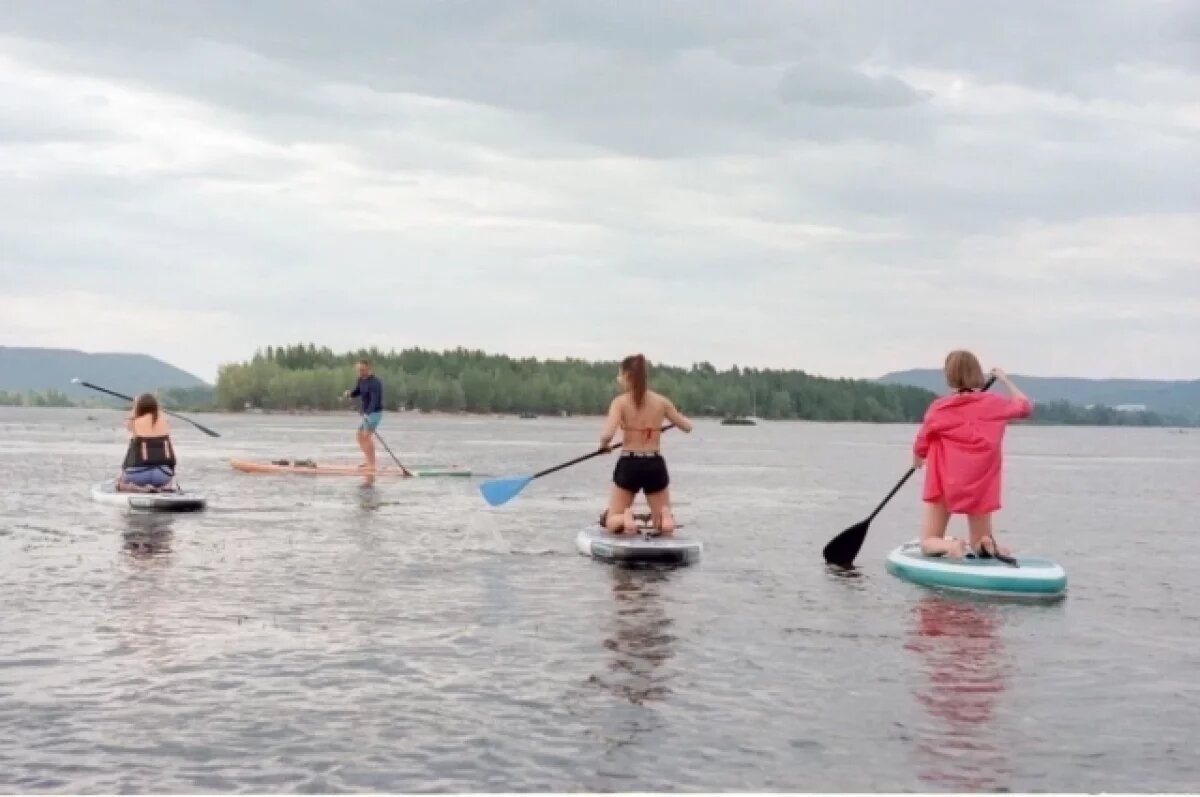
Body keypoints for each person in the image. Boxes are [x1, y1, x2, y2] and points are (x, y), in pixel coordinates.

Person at [912, 351, 1032, 560]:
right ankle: (985, 543)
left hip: (946, 484)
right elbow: (1024, 407)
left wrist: (917, 458)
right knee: (978, 543)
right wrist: (1004, 380)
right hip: (981, 485)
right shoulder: (994, 404)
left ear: (949, 376)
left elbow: (922, 442)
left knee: (928, 542)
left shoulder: (940, 408)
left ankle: (951, 546)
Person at [599, 354, 693, 536]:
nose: (619, 380)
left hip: (629, 463)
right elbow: (687, 427)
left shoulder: (620, 403)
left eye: (619, 376)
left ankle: (626, 517)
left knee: (611, 520)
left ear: (627, 376)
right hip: (654, 464)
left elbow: (607, 434)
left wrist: (604, 445)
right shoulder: (662, 402)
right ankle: (665, 518)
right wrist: (684, 419)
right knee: (661, 523)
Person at [117, 393, 178, 492]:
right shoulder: (165, 421)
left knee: (119, 484)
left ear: (139, 407)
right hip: (162, 474)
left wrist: (135, 405)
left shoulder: (134, 422)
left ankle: (138, 488)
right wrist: (156, 408)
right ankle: (162, 487)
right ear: (156, 407)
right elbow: (160, 415)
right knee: (165, 480)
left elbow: (128, 423)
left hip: (138, 474)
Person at [342, 358, 383, 470]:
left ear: (369, 368)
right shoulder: (361, 380)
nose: (360, 372)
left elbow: (374, 401)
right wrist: (349, 394)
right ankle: (367, 461)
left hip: (374, 413)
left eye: (362, 370)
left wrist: (368, 413)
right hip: (367, 413)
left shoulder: (375, 382)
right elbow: (357, 392)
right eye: (358, 370)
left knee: (366, 436)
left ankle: (372, 464)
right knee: (360, 436)